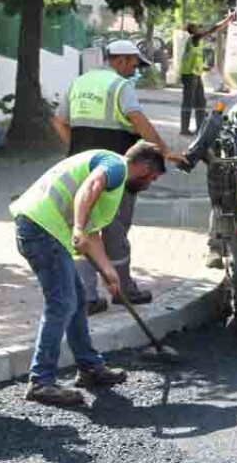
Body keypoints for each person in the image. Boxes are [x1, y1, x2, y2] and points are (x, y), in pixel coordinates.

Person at [9, 141, 166, 406]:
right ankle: (40, 381)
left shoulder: (112, 181)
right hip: (40, 228)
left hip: (45, 230)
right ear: (146, 166)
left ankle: (89, 368)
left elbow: (92, 233)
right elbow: (89, 188)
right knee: (62, 302)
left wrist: (108, 272)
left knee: (78, 299)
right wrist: (79, 228)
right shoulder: (115, 166)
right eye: (152, 177)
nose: (149, 184)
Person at [52, 39, 186, 314]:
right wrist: (164, 150)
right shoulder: (119, 86)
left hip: (81, 168)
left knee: (85, 231)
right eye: (134, 65)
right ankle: (124, 290)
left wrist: (76, 150)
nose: (134, 71)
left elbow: (58, 121)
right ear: (122, 60)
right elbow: (137, 119)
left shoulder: (79, 83)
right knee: (116, 233)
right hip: (116, 174)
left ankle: (87, 297)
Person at [178, 99, 232, 268]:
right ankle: (216, 248)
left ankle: (234, 246)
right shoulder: (231, 117)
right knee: (221, 203)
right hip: (223, 162)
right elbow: (203, 141)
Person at [179, 16, 233, 136]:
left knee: (200, 101)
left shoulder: (195, 41)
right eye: (198, 28)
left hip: (195, 74)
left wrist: (204, 67)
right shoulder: (194, 38)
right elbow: (212, 29)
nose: (200, 29)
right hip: (189, 75)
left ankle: (200, 128)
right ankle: (184, 129)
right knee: (188, 101)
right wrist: (227, 20)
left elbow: (194, 57)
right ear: (193, 30)